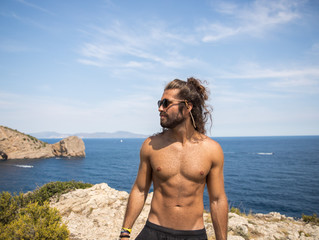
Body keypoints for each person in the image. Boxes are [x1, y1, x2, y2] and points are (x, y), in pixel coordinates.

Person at [120, 77, 228, 240]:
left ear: (187, 107)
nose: (160, 109)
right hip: (153, 232)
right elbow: (140, 190)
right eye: (159, 103)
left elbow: (217, 200)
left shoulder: (212, 150)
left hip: (193, 235)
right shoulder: (151, 145)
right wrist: (125, 233)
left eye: (166, 103)